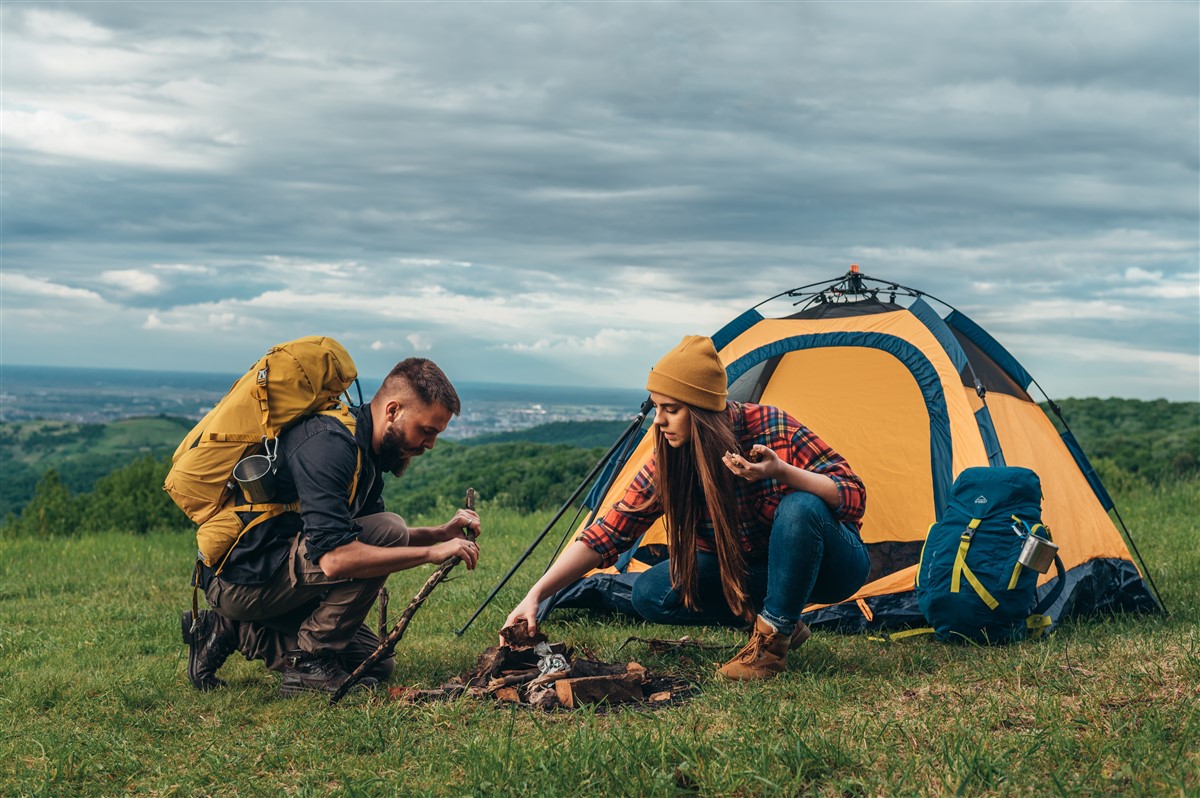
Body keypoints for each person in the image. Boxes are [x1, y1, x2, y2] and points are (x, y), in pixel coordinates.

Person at [504, 335, 868, 680]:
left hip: (833, 567)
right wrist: (536, 595)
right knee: (651, 593)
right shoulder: (671, 460)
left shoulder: (770, 427)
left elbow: (853, 495)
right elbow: (607, 533)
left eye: (671, 409)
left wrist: (782, 472)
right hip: (751, 570)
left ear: (703, 411)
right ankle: (778, 619)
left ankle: (771, 647)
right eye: (656, 408)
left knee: (800, 507)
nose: (659, 421)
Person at [182, 358, 482, 696]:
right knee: (390, 529)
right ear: (394, 410)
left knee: (374, 662)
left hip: (273, 575)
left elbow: (364, 539)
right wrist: (430, 553)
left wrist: (440, 534)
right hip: (241, 580)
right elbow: (336, 559)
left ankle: (229, 630)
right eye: (426, 430)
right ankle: (309, 661)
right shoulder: (330, 443)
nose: (430, 444)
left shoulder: (366, 455)